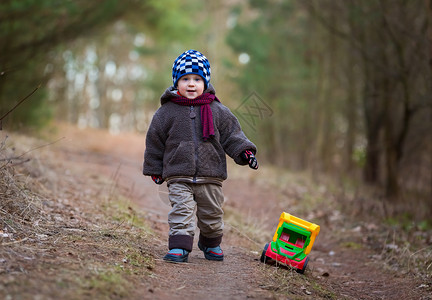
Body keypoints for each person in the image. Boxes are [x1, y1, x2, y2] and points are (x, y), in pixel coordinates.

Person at [143, 49, 258, 263]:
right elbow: (154, 142)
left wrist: (245, 152)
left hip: (211, 175)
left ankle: (210, 243)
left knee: (212, 215)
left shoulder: (218, 110)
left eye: (197, 79)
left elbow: (233, 136)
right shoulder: (166, 112)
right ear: (176, 82)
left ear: (205, 82)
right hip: (179, 175)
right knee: (181, 211)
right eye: (185, 79)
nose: (191, 84)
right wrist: (154, 169)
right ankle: (180, 247)